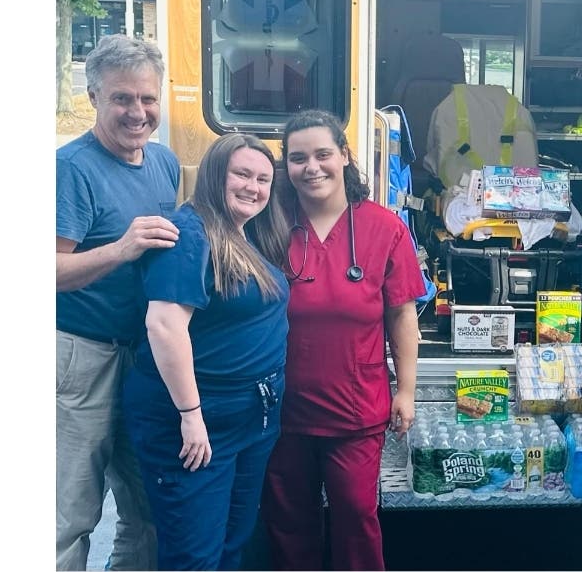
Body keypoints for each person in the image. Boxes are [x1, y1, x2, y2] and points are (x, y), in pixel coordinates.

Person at [261, 109, 425, 570]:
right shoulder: (269, 223)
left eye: (322, 154)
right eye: (297, 158)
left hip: (355, 408)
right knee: (290, 523)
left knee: (356, 517)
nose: (311, 167)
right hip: (283, 407)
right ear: (285, 166)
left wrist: (406, 391)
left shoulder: (384, 227)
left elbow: (401, 315)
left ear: (345, 156)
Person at [120, 133, 291, 570]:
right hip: (199, 424)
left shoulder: (243, 232)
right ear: (216, 173)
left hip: (252, 418)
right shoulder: (189, 233)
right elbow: (163, 325)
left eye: (263, 179)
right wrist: (191, 415)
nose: (253, 187)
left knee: (233, 544)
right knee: (194, 557)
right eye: (242, 174)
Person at [56, 34, 180, 570]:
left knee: (148, 508)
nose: (138, 112)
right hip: (82, 358)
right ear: (94, 99)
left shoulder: (164, 163)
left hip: (143, 359)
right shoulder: (71, 168)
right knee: (71, 515)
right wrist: (120, 249)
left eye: (148, 99)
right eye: (122, 99)